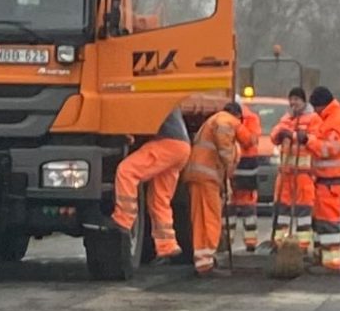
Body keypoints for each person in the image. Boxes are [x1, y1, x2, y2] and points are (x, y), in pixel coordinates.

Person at [108, 106, 193, 263]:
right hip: (182, 147)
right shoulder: (166, 99)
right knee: (159, 199)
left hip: (167, 143)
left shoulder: (148, 97)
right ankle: (167, 245)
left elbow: (139, 117)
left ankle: (123, 219)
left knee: (127, 171)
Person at [303, 85, 340, 272]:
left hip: (333, 178)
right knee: (320, 220)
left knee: (328, 221)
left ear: (321, 105)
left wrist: (308, 141)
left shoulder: (336, 120)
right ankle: (321, 256)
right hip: (327, 178)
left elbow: (329, 149)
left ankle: (331, 263)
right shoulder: (330, 118)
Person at [183, 100, 242, 276]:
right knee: (210, 219)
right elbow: (224, 150)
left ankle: (203, 262)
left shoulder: (210, 122)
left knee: (199, 219)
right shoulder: (225, 120)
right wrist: (228, 161)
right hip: (207, 178)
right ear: (237, 116)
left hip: (197, 175)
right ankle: (207, 261)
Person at [268, 88, 315, 249]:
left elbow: (316, 140)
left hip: (303, 174)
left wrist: (301, 137)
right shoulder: (287, 118)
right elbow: (274, 135)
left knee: (303, 209)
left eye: (296, 99)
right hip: (285, 173)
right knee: (282, 208)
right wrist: (280, 134)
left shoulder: (313, 119)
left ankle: (302, 245)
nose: (293, 102)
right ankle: (279, 243)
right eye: (291, 99)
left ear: (303, 101)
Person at [230, 91, 269, 254]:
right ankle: (227, 240)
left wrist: (236, 128)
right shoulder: (227, 116)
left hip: (246, 163)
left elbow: (250, 140)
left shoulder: (251, 118)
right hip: (232, 161)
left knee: (247, 202)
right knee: (229, 202)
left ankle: (250, 241)